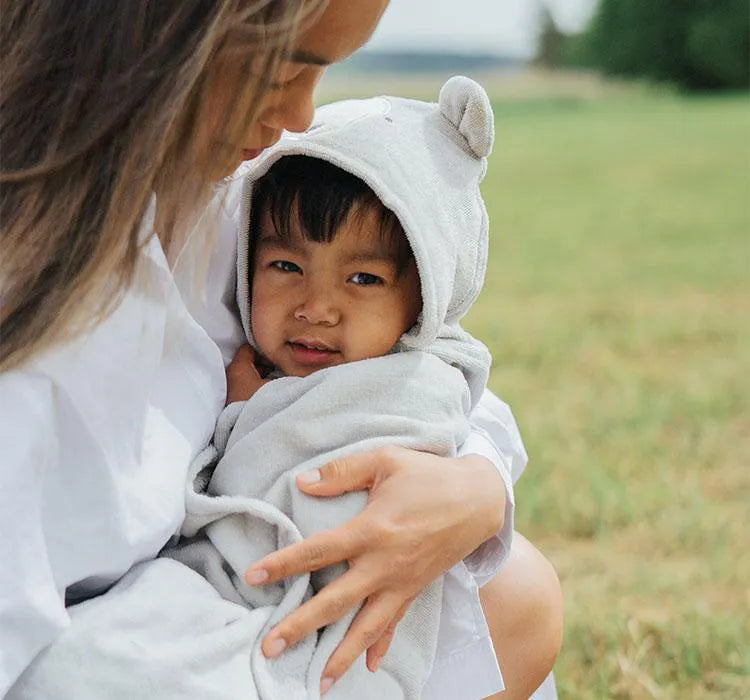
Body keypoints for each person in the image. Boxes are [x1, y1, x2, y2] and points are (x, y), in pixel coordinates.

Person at [0, 1, 562, 698]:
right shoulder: (34, 311)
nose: (300, 116)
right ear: (150, 40)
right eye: (282, 70)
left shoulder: (219, 212)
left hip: (248, 614)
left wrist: (474, 486)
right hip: (124, 637)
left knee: (513, 591)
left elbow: (426, 382)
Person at [162, 76, 517, 699]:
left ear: (426, 300)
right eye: (286, 267)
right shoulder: (248, 360)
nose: (317, 307)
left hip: (340, 629)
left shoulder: (414, 385)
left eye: (362, 278)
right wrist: (246, 413)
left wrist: (245, 414)